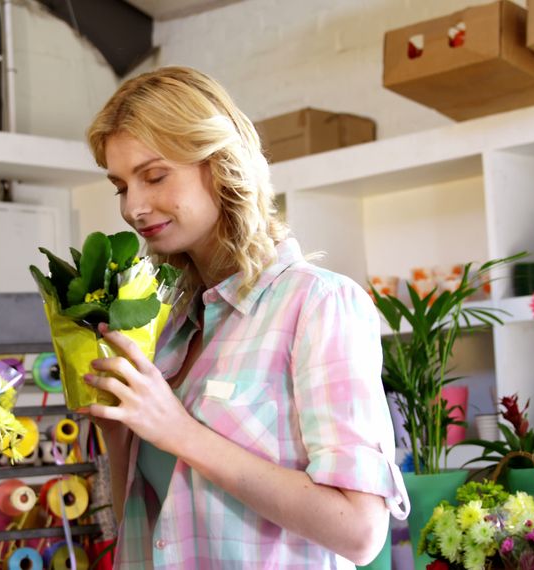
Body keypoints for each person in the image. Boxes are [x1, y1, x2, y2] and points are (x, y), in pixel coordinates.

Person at [82, 66, 409, 569]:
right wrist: (117, 426)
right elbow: (146, 517)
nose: (134, 207)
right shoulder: (168, 325)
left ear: (219, 164)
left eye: (154, 175)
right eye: (121, 186)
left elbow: (361, 530)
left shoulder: (318, 305)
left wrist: (180, 432)